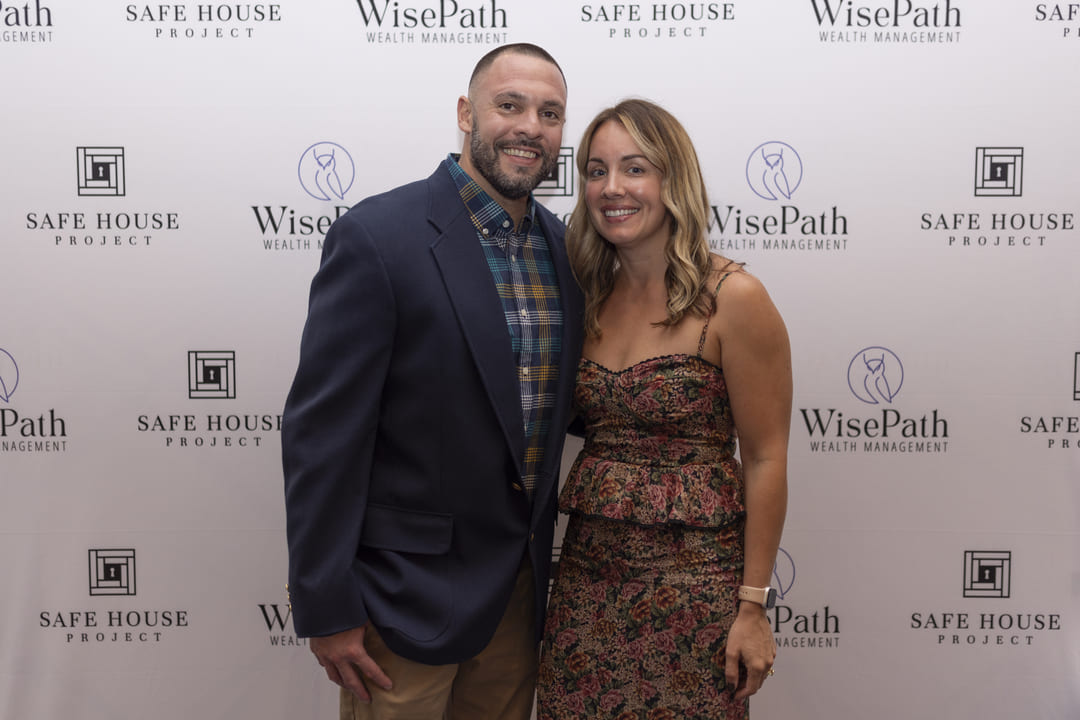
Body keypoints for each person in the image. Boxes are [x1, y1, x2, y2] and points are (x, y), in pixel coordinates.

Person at [281, 43, 583, 720]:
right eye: (510, 105)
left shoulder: (567, 252)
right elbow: (323, 438)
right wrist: (326, 602)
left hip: (519, 599)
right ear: (466, 114)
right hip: (403, 601)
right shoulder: (378, 237)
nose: (530, 126)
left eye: (550, 113)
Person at [536, 99, 791, 719]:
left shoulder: (734, 298)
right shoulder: (583, 296)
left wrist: (752, 606)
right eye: (596, 171)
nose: (612, 188)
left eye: (634, 168)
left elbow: (765, 459)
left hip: (697, 596)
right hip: (586, 589)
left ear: (674, 180)